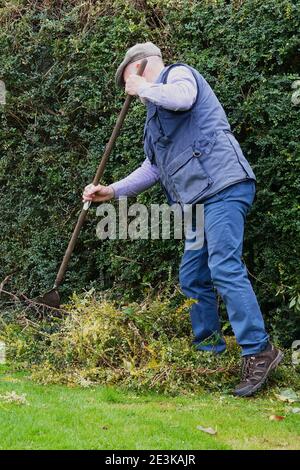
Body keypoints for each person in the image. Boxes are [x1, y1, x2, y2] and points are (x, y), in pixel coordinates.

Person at [83, 42, 283, 397]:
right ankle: (209, 355)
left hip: (223, 186)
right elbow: (153, 168)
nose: (128, 91)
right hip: (197, 202)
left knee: (223, 266)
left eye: (127, 79)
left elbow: (183, 97)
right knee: (193, 275)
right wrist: (111, 191)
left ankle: (259, 350)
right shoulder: (154, 120)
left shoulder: (178, 76)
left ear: (142, 66)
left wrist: (144, 87)